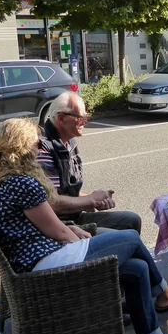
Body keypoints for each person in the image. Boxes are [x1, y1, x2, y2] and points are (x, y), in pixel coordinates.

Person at [0, 118, 168, 334]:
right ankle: (165, 295)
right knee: (131, 239)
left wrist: (72, 228)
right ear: (23, 146)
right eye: (36, 143)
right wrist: (80, 236)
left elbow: (36, 223)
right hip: (48, 265)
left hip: (33, 263)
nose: (40, 148)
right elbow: (58, 233)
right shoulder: (22, 183)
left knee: (137, 270)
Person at [37, 91, 142, 234]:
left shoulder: (69, 142)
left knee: (131, 219)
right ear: (61, 118)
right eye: (81, 117)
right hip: (60, 226)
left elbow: (67, 190)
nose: (85, 122)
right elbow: (51, 202)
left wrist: (95, 199)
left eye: (86, 117)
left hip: (74, 215)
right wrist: (90, 200)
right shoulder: (43, 150)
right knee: (127, 237)